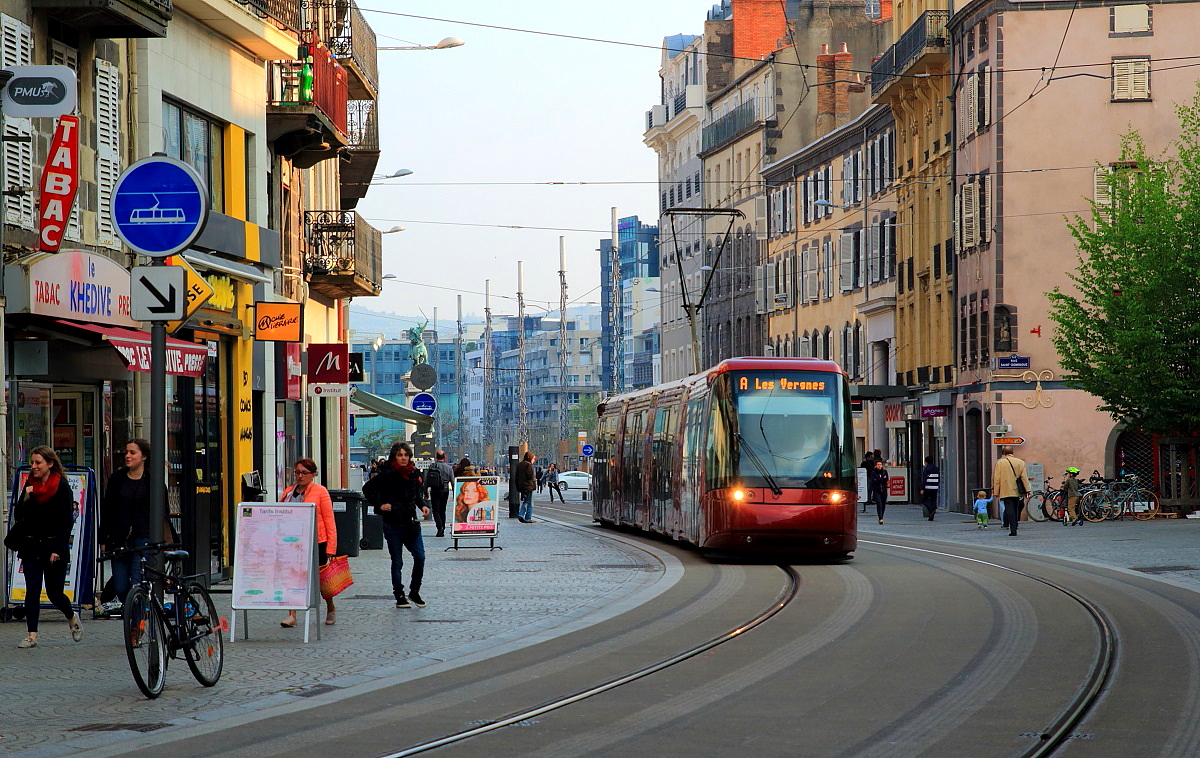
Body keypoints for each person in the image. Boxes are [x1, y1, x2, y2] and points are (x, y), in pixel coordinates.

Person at [11, 446, 80, 648]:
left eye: (38, 463)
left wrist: (58, 549)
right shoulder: (30, 486)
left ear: (50, 463)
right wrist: (24, 499)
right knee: (32, 590)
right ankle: (32, 635)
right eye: (32, 463)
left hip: (53, 546)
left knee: (54, 593)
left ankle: (71, 616)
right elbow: (19, 517)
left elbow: (67, 522)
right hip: (32, 545)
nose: (34, 467)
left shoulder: (61, 487)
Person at [98, 439, 166, 615]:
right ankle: (135, 614)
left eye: (132, 452)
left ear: (143, 456)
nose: (127, 456)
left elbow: (162, 512)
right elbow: (107, 510)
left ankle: (136, 626)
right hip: (119, 539)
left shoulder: (152, 481)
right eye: (126, 452)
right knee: (120, 587)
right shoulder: (117, 479)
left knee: (137, 583)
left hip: (144, 539)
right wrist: (103, 538)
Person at [363, 442, 430, 608]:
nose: (403, 458)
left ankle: (414, 591)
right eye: (400, 455)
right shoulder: (387, 474)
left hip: (411, 523)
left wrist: (422, 505)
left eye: (406, 455)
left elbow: (416, 495)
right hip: (393, 524)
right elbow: (368, 489)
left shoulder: (413, 473)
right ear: (395, 456)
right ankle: (399, 594)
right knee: (397, 562)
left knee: (420, 557)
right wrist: (380, 504)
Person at [279, 458, 337, 627]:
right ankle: (292, 615)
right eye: (297, 472)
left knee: (321, 580)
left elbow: (329, 519)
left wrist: (331, 547)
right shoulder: (289, 492)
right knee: (292, 577)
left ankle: (330, 607)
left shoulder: (320, 492)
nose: (299, 476)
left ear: (313, 475)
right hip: (292, 542)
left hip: (316, 541)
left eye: (304, 473)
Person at [992, 446, 1032, 536]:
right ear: (1012, 452)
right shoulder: (1020, 462)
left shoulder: (1000, 463)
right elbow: (1024, 478)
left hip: (1005, 490)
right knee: (1016, 507)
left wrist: (996, 491)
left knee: (1009, 508)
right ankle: (1015, 525)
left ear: (1003, 453)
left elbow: (996, 478)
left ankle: (1013, 529)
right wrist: (1027, 490)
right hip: (1017, 489)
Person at [425, 450, 455, 537]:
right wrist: (454, 493)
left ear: (436, 457)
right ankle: (443, 527)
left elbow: (426, 480)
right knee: (443, 509)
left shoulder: (432, 466)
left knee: (436, 510)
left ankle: (439, 527)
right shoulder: (449, 468)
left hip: (434, 490)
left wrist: (425, 491)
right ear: (444, 457)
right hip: (445, 490)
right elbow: (452, 481)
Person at [515, 450, 536, 523]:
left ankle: (521, 514)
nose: (534, 460)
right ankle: (528, 518)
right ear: (530, 458)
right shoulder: (529, 465)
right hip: (529, 486)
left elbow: (516, 477)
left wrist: (518, 486)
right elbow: (530, 476)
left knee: (525, 501)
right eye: (533, 458)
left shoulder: (520, 465)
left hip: (522, 487)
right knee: (530, 503)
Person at [868, 460, 890, 525]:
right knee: (879, 503)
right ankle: (880, 518)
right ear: (876, 465)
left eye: (880, 464)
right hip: (876, 490)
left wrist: (880, 480)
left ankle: (881, 516)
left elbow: (886, 480)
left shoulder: (884, 472)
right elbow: (873, 481)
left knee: (883, 504)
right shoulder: (873, 473)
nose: (879, 466)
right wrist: (881, 479)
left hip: (883, 490)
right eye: (878, 464)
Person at [919, 456, 940, 521]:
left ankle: (931, 510)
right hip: (935, 487)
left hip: (928, 487)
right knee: (933, 500)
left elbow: (924, 479)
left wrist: (922, 488)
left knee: (924, 500)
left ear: (926, 462)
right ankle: (932, 512)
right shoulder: (936, 468)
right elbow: (939, 478)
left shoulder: (926, 469)